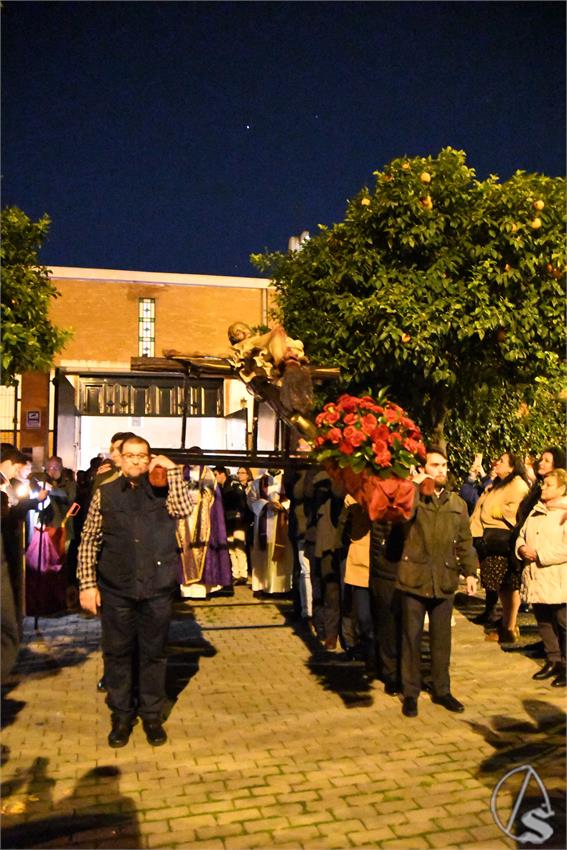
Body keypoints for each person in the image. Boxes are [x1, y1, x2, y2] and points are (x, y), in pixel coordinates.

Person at [77, 435, 194, 748]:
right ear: (118, 458)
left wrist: (172, 470)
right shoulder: (105, 493)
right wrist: (87, 585)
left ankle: (152, 714)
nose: (138, 462)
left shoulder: (163, 488)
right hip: (117, 588)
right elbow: (89, 540)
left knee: (153, 654)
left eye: (143, 456)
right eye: (131, 456)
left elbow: (184, 509)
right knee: (117, 653)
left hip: (156, 587)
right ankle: (122, 715)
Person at [396, 448, 478, 718]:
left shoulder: (457, 504)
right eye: (435, 465)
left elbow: (465, 541)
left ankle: (442, 690)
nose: (441, 470)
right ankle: (411, 692)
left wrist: (470, 573)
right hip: (414, 577)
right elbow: (402, 520)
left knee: (442, 640)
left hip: (444, 578)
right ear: (423, 468)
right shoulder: (412, 497)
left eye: (444, 465)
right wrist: (416, 489)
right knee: (412, 638)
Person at [470, 452, 530, 641]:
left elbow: (520, 508)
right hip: (488, 538)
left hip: (502, 539)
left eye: (502, 461)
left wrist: (501, 511)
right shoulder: (499, 483)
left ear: (512, 467)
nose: (497, 463)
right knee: (500, 586)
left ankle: (509, 626)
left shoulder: (518, 484)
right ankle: (506, 623)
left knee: (508, 585)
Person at [516, 469, 567, 688]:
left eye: (548, 485)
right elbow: (521, 534)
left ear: (562, 488)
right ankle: (553, 659)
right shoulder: (536, 511)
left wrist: (540, 555)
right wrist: (521, 548)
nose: (543, 488)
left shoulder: (564, 514)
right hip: (536, 578)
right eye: (543, 484)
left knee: (564, 623)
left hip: (557, 578)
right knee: (544, 621)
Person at [247, 468, 294, 594]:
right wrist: (266, 504)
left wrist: (283, 505)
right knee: (263, 553)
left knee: (282, 554)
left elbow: (293, 498)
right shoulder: (258, 482)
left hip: (282, 522)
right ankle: (262, 585)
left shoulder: (287, 480)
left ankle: (281, 587)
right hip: (264, 521)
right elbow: (251, 501)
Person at [212, 466, 249, 585]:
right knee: (231, 548)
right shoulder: (221, 487)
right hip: (228, 519)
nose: (215, 477)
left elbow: (240, 497)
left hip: (237, 518)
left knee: (238, 546)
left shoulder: (233, 483)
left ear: (222, 474)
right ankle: (235, 574)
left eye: (216, 474)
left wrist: (240, 514)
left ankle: (243, 574)